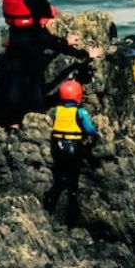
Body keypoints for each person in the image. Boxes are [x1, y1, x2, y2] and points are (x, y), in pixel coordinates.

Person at [0, 0, 103, 128]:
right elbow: (48, 26)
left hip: (15, 40)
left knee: (13, 83)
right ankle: (32, 120)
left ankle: (9, 121)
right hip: (32, 43)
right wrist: (84, 52)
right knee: (35, 85)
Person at [43, 80, 98, 226]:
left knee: (59, 179)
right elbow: (89, 129)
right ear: (78, 95)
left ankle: (49, 206)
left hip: (57, 147)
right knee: (73, 182)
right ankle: (71, 218)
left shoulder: (56, 110)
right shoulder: (80, 111)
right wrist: (96, 133)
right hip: (73, 148)